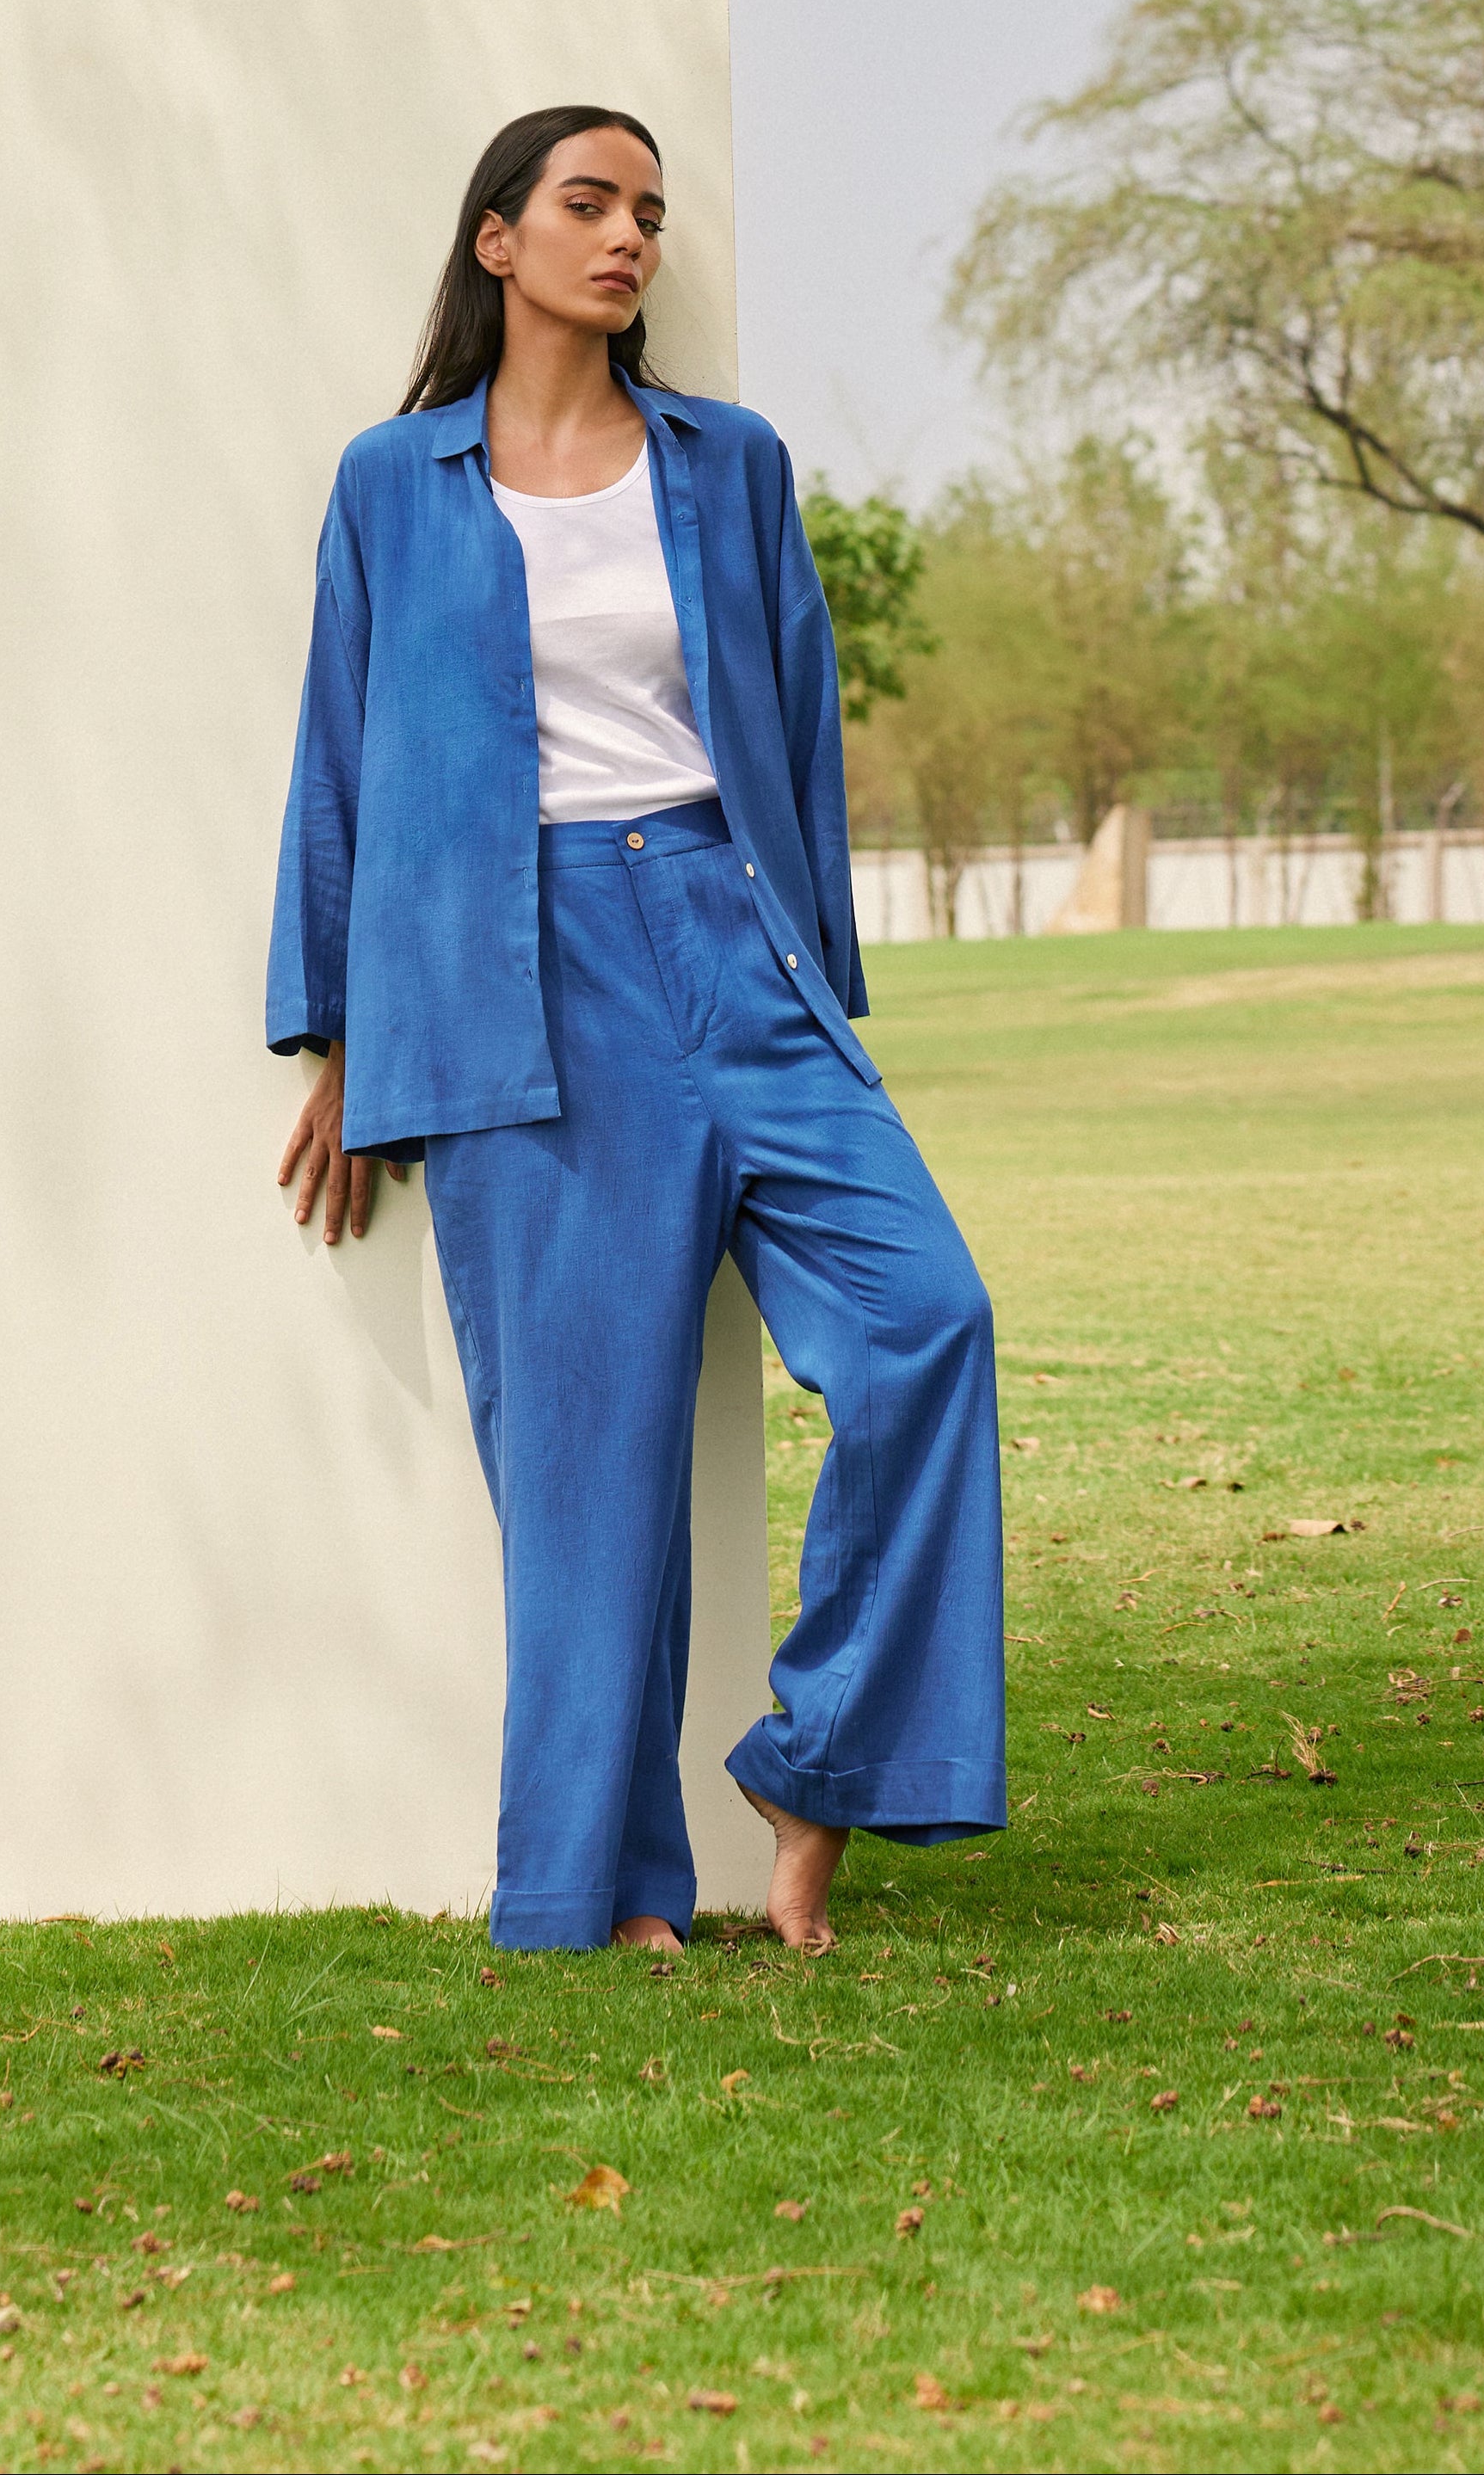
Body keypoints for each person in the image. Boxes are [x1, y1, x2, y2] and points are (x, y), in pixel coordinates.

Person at [267, 106, 1003, 1957]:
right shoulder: (390, 480)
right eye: (586, 205)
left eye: (648, 214)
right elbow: (341, 768)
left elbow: (798, 722)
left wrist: (812, 990)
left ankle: (812, 1765)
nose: (626, 239)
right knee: (586, 1464)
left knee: (926, 1324)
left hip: (725, 934)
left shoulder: (727, 465)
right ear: (497, 238)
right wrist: (340, 1038)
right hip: (514, 977)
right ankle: (597, 1890)